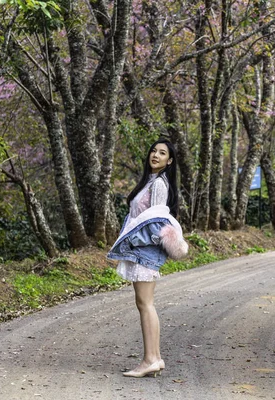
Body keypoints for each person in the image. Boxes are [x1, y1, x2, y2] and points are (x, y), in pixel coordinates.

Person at [107, 138, 188, 378]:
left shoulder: (160, 184)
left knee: (146, 304)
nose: (156, 155)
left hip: (145, 251)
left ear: (169, 161)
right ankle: (154, 357)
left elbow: (154, 221)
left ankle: (150, 359)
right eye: (154, 150)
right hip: (140, 250)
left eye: (162, 153)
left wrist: (134, 243)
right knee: (144, 304)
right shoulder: (151, 181)